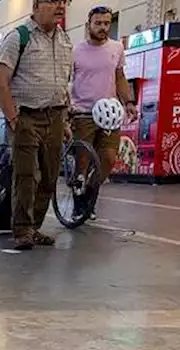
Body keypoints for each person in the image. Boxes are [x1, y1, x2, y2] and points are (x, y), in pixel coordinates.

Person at [0, 0, 74, 251]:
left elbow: (64, 82)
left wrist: (66, 119)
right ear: (37, 5)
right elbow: (1, 82)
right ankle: (22, 230)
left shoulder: (65, 40)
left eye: (64, 2)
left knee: (50, 177)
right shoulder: (19, 37)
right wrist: (13, 118)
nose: (60, 7)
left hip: (56, 116)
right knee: (27, 175)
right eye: (53, 1)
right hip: (26, 115)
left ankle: (35, 226)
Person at [71, 5, 137, 215]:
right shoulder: (75, 51)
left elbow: (120, 77)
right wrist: (68, 106)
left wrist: (128, 102)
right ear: (88, 25)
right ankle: (78, 201)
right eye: (98, 23)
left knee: (108, 159)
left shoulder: (116, 48)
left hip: (109, 113)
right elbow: (66, 80)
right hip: (82, 111)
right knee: (82, 160)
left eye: (107, 23)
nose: (102, 27)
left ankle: (90, 193)